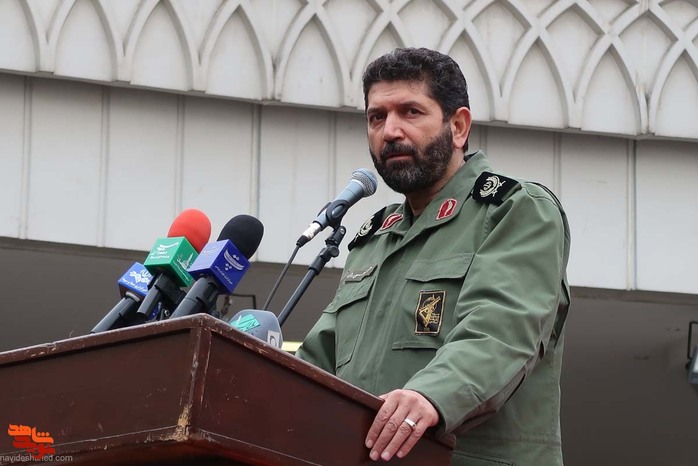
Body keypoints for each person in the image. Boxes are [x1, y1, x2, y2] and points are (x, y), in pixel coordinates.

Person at [295, 47, 571, 466]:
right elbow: (317, 364)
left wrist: (429, 396)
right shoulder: (375, 238)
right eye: (376, 117)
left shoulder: (514, 210)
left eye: (410, 112)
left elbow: (501, 331)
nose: (390, 131)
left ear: (458, 127)